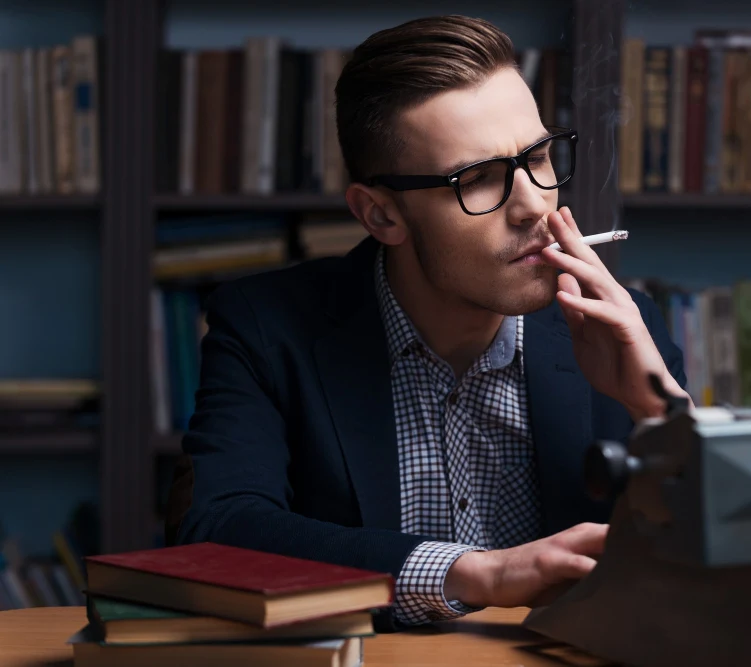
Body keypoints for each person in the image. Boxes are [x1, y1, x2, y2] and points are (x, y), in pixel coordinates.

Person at [166, 14, 688, 631]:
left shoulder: (621, 324)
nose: (533, 206)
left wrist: (659, 413)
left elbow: (722, 568)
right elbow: (219, 533)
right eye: (479, 179)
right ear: (381, 215)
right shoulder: (266, 328)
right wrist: (478, 574)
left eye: (539, 158)